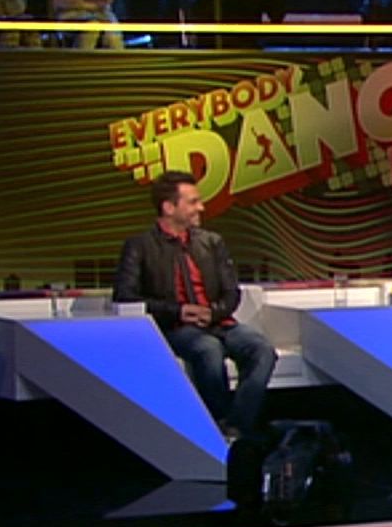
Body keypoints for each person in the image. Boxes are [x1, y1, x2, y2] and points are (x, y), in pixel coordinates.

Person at [114, 171, 277, 444]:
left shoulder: (212, 242)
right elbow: (125, 296)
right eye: (193, 202)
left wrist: (213, 312)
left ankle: (235, 426)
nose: (201, 207)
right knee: (208, 350)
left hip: (219, 322)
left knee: (262, 350)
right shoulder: (139, 246)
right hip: (176, 326)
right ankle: (217, 423)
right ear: (169, 207)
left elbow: (231, 292)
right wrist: (178, 311)